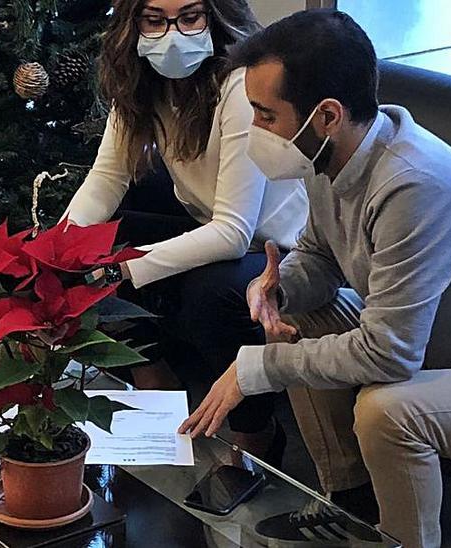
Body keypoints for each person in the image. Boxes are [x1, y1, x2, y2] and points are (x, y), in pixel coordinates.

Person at [178, 9, 451, 548]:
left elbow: (390, 356)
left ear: (326, 116)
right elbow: (320, 254)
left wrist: (260, 367)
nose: (255, 130)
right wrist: (281, 286)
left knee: (388, 411)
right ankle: (348, 509)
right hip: (444, 351)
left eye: (266, 115)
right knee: (298, 316)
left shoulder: (414, 186)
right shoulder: (326, 158)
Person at [65, 0, 309, 457]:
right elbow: (106, 179)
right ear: (133, 26)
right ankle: (151, 376)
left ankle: (255, 435)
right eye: (155, 20)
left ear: (214, 19)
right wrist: (58, 251)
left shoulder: (239, 86)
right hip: (210, 226)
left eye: (190, 17)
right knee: (99, 239)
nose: (172, 34)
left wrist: (123, 269)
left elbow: (235, 232)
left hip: (276, 249)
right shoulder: (142, 83)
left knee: (210, 292)